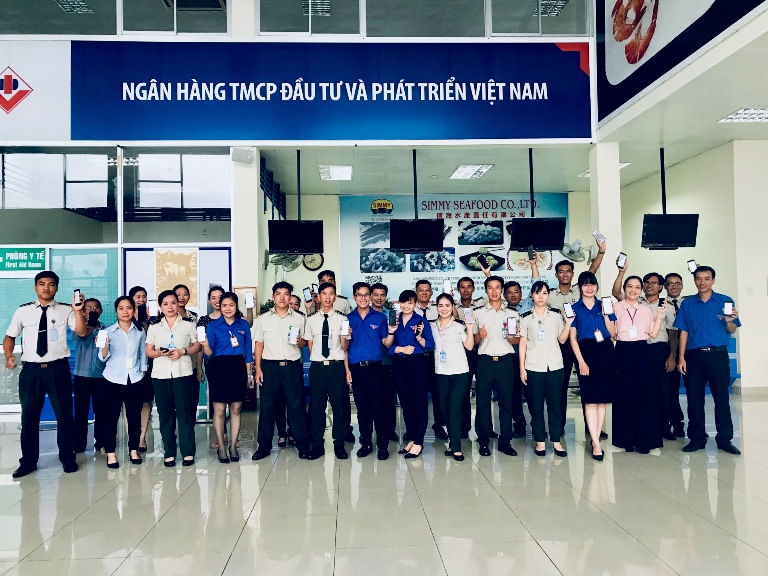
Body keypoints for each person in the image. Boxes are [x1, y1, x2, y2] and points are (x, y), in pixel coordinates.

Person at [4, 271, 86, 478]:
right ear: (35, 287)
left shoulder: (66, 310)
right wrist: (8, 355)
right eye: (42, 284)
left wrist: (78, 311)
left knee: (64, 415)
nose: (46, 288)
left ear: (56, 288)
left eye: (51, 284)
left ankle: (67, 458)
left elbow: (81, 332)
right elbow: (10, 336)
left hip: (58, 369)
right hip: (31, 371)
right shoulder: (22, 311)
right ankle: (28, 462)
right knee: (29, 416)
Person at [675, 266, 741, 455]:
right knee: (694, 398)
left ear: (713, 280)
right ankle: (697, 438)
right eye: (699, 278)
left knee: (721, 397)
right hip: (694, 356)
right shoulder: (688, 304)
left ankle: (725, 439)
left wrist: (730, 320)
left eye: (707, 278)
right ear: (694, 280)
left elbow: (731, 330)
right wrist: (681, 357)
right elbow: (683, 332)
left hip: (717, 356)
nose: (702, 282)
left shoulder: (725, 301)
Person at [548, 237, 606, 436]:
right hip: (562, 344)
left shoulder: (580, 290)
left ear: (573, 274)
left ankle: (592, 428)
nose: (565, 274)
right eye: (561, 271)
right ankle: (559, 426)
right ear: (556, 274)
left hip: (583, 344)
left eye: (568, 271)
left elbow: (592, 270)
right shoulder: (550, 295)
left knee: (588, 385)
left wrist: (601, 251)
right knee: (561, 386)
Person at [614, 270, 678, 441]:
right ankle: (636, 430)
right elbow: (616, 293)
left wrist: (672, 355)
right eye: (647, 282)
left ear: (661, 287)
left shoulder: (666, 306)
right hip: (636, 351)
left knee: (661, 390)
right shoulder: (635, 302)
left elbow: (672, 333)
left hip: (658, 350)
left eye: (654, 283)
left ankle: (664, 427)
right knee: (640, 392)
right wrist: (621, 272)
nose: (650, 285)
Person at [252, 282, 312, 460]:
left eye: (286, 294)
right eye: (278, 293)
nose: (282, 297)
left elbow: (305, 342)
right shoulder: (263, 318)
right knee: (267, 408)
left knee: (297, 407)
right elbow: (259, 343)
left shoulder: (299, 318)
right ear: (273, 297)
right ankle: (264, 447)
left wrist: (300, 341)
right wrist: (258, 368)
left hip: (292, 366)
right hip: (269, 367)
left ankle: (302, 445)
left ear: (290, 297)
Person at [145, 290, 202, 467]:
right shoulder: (154, 327)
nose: (170, 307)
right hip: (160, 375)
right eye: (166, 304)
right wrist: (158, 353)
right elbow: (148, 351)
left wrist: (183, 351)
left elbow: (198, 346)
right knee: (165, 415)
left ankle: (188, 452)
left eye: (173, 303)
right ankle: (169, 453)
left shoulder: (188, 324)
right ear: (160, 307)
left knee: (185, 414)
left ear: (178, 304)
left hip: (183, 373)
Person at [519, 281, 574, 457]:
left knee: (555, 405)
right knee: (536, 406)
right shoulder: (525, 317)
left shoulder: (556, 316)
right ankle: (540, 441)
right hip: (533, 366)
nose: (541, 296)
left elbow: (562, 340)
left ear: (548, 295)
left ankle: (556, 440)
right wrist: (522, 368)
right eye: (537, 293)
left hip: (555, 366)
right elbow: (522, 344)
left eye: (544, 293)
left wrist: (568, 323)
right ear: (532, 296)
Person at [568, 272, 616, 461]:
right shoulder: (574, 308)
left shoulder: (605, 305)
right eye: (585, 284)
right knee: (590, 400)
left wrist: (606, 316)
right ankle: (596, 442)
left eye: (592, 284)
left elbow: (613, 333)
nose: (590, 288)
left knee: (601, 400)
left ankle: (595, 439)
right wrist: (580, 361)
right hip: (585, 352)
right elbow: (573, 338)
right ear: (580, 287)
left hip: (605, 351)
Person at [200, 292, 253, 464]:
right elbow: (209, 354)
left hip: (238, 366)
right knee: (219, 409)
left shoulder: (243, 324)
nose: (227, 309)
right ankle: (222, 447)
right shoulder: (213, 326)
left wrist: (249, 374)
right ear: (219, 307)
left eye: (231, 305)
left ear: (236, 306)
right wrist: (205, 345)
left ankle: (233, 446)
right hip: (219, 367)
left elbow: (247, 351)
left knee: (236, 408)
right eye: (224, 305)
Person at [345, 282, 395, 460]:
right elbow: (344, 348)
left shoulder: (379, 318)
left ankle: (383, 446)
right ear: (354, 297)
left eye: (367, 295)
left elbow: (386, 343)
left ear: (370, 297)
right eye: (360, 295)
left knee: (378, 407)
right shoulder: (348, 319)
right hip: (356, 369)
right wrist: (347, 370)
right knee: (362, 408)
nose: (364, 298)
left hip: (375, 368)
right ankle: (365, 443)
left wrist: (391, 332)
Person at [472, 275, 520, 457]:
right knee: (482, 403)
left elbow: (516, 340)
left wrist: (511, 337)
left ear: (502, 290)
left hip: (505, 362)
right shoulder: (478, 313)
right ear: (486, 290)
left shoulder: (512, 314)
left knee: (506, 403)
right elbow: (472, 341)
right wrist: (480, 336)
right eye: (490, 288)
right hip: (484, 362)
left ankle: (505, 442)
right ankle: (483, 441)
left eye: (497, 287)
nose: (494, 291)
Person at [98, 296, 148, 469]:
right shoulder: (107, 332)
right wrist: (105, 346)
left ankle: (133, 450)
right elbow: (102, 358)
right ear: (116, 311)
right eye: (121, 308)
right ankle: (111, 453)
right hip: (112, 379)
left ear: (134, 310)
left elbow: (142, 353)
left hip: (134, 378)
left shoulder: (139, 331)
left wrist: (142, 370)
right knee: (110, 418)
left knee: (134, 417)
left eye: (129, 308)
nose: (125, 311)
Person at [305, 282, 352, 460]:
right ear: (319, 296)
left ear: (335, 297)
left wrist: (344, 338)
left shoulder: (342, 319)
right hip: (318, 367)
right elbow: (310, 346)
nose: (327, 297)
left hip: (336, 367)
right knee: (317, 406)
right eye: (324, 293)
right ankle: (317, 444)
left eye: (331, 293)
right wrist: (319, 359)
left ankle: (339, 444)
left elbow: (345, 347)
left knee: (339, 406)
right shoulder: (311, 320)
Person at [389, 289, 435, 459]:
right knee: (406, 403)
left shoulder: (421, 321)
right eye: (403, 302)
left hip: (418, 364)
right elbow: (387, 345)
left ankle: (419, 442)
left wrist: (420, 338)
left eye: (410, 302)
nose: (406, 306)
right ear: (399, 303)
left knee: (419, 403)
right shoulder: (394, 320)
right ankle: (412, 438)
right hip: (399, 364)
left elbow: (430, 345)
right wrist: (401, 349)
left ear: (415, 304)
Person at [430, 293, 475, 461]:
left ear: (452, 307)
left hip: (459, 372)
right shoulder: (431, 326)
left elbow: (469, 346)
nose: (444, 309)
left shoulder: (459, 325)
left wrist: (470, 328)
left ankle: (456, 447)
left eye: (447, 305)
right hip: (440, 372)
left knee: (454, 408)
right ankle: (452, 440)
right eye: (440, 306)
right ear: (437, 307)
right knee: (444, 409)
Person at [413, 279, 448, 440]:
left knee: (438, 393)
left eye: (427, 290)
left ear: (432, 292)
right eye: (421, 290)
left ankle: (439, 425)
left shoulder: (437, 309)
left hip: (435, 357)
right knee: (417, 394)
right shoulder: (410, 310)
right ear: (416, 292)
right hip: (417, 358)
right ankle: (415, 428)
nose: (424, 293)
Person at [71, 297, 106, 454]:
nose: (93, 310)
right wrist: (90, 325)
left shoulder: (105, 329)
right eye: (89, 308)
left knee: (101, 412)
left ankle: (101, 442)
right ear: (83, 311)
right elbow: (78, 336)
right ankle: (79, 444)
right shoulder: (80, 328)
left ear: (101, 311)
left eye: (96, 307)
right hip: (82, 376)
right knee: (81, 412)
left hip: (101, 376)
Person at [454, 277, 485, 439]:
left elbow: (497, 297)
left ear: (473, 288)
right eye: (462, 287)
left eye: (468, 287)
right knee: (463, 392)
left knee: (483, 392)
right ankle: (463, 427)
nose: (466, 290)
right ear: (458, 289)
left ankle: (485, 428)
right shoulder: (454, 307)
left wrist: (487, 274)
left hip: (480, 352)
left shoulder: (481, 304)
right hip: (462, 354)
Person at [371, 282, 400, 442]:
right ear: (370, 296)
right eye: (376, 294)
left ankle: (390, 430)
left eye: (382, 295)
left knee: (389, 398)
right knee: (372, 400)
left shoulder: (391, 315)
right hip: (370, 364)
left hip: (388, 363)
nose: (379, 298)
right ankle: (371, 431)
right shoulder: (364, 315)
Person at [129, 285, 154, 452]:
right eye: (138, 296)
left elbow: (151, 340)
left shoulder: (151, 320)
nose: (141, 299)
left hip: (148, 366)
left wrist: (146, 321)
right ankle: (132, 437)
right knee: (130, 404)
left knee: (146, 402)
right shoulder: (126, 318)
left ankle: (141, 437)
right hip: (129, 367)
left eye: (144, 296)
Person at [663, 272, 686, 437]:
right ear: (665, 286)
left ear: (682, 285)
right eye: (670, 284)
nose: (674, 286)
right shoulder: (662, 304)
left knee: (693, 391)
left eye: (677, 283)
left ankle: (693, 427)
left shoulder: (688, 303)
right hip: (670, 349)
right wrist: (672, 355)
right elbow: (671, 332)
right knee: (671, 390)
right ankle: (674, 423)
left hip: (688, 349)